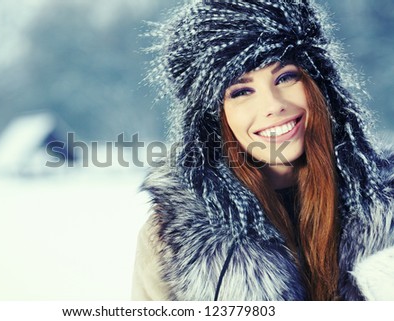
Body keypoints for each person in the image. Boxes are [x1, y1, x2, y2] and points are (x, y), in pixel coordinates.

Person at [132, 0, 394, 301]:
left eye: (285, 77)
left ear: (321, 85)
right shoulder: (171, 235)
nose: (273, 105)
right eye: (241, 91)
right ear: (213, 116)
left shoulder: (387, 205)